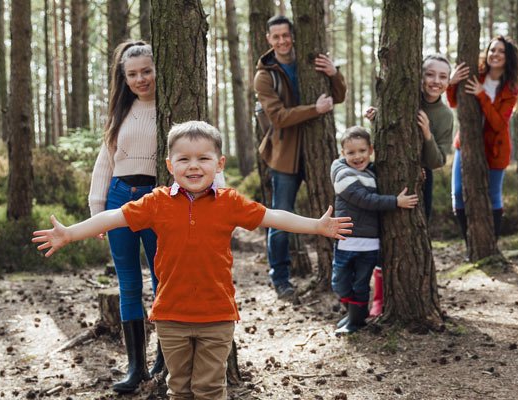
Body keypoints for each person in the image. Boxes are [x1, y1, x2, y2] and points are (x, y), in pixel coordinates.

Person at [33, 121, 353, 398]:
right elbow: (114, 217)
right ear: (170, 165)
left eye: (203, 158)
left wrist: (316, 225)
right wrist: (70, 233)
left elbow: (272, 217)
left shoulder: (229, 203)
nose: (194, 166)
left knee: (209, 390)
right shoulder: (156, 202)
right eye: (184, 159)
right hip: (171, 317)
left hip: (217, 317)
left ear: (219, 163)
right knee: (179, 389)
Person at [86, 40, 164, 393]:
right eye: (132, 74)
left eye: (146, 71)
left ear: (156, 69)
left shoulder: (167, 105)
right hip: (118, 199)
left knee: (164, 279)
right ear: (124, 76)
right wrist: (97, 210)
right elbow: (106, 161)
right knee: (128, 284)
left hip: (157, 199)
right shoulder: (121, 110)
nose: (141, 79)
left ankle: (165, 359)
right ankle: (136, 368)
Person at [254, 15, 348, 300]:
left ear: (293, 36)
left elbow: (339, 97)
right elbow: (279, 118)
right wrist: (314, 110)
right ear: (269, 40)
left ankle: (338, 272)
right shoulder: (264, 75)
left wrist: (334, 74)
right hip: (284, 156)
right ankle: (280, 278)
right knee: (280, 218)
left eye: (286, 35)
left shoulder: (311, 59)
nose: (282, 41)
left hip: (318, 152)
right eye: (276, 36)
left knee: (334, 212)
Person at [360, 54, 454, 317]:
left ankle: (418, 295)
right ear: (419, 75)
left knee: (416, 235)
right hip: (389, 175)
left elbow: (437, 161)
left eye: (442, 76)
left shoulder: (445, 116)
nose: (436, 81)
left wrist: (427, 134)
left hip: (422, 179)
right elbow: (387, 134)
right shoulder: (402, 97)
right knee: (381, 233)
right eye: (430, 74)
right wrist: (377, 118)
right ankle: (377, 297)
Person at [329, 127, 417, 333]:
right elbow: (365, 200)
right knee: (340, 282)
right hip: (347, 240)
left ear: (370, 150)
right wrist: (395, 201)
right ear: (343, 154)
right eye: (351, 153)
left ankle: (356, 320)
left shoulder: (373, 172)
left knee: (360, 284)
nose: (357, 157)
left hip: (369, 244)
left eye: (362, 151)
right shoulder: (342, 175)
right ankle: (352, 313)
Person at [446, 36, 518, 240]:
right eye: (492, 50)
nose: (495, 54)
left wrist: (482, 95)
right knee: (458, 193)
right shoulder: (476, 75)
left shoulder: (510, 88)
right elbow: (454, 103)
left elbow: (498, 124)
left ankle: (492, 245)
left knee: (492, 195)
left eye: (501, 51)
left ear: (508, 58)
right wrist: (451, 83)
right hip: (466, 144)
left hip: (496, 148)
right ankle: (469, 243)